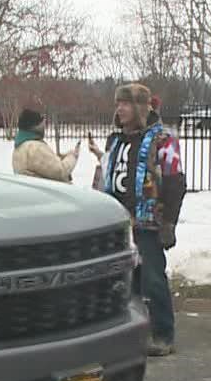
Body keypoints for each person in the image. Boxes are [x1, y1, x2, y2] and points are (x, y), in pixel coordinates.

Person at [88, 83, 186, 357]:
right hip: (117, 222)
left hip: (148, 221)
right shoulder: (115, 140)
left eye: (126, 104)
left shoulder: (163, 140)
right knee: (122, 280)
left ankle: (163, 334)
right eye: (118, 103)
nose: (120, 109)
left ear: (141, 108)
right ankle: (127, 332)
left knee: (153, 279)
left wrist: (169, 223)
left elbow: (175, 182)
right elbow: (103, 175)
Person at [11, 108, 79, 182]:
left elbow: (42, 167)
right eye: (42, 124)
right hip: (48, 192)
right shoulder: (35, 148)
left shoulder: (20, 145)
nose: (44, 127)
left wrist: (58, 158)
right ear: (35, 126)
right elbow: (60, 171)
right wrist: (73, 156)